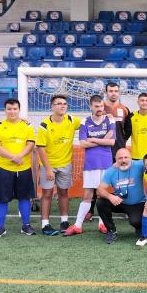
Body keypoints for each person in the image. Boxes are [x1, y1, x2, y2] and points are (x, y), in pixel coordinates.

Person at [63, 95, 114, 236]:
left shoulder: (109, 120)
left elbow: (112, 142)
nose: (99, 109)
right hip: (91, 163)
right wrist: (101, 140)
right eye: (96, 106)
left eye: (101, 106)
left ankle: (102, 224)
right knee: (88, 195)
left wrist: (93, 139)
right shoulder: (85, 122)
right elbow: (83, 144)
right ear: (90, 106)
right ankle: (78, 225)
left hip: (106, 163)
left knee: (103, 194)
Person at [0, 98, 36, 238]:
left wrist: (19, 156)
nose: (12, 111)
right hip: (4, 168)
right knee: (2, 198)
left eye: (15, 108)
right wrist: (13, 157)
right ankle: (0, 227)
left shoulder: (27, 126)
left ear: (19, 110)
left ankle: (26, 225)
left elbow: (30, 144)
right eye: (9, 109)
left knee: (24, 198)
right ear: (5, 110)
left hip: (24, 168)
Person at [36, 94, 81, 235]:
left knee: (63, 192)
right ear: (52, 106)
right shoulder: (44, 126)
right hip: (48, 165)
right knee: (47, 194)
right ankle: (45, 224)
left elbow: (90, 122)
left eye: (64, 103)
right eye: (58, 103)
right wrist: (48, 168)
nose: (62, 106)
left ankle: (64, 221)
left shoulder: (72, 120)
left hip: (65, 164)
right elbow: (40, 148)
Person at [96, 148, 146, 244]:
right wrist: (111, 197)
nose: (123, 160)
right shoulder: (111, 171)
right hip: (119, 201)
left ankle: (139, 227)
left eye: (126, 157)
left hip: (137, 203)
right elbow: (99, 190)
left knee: (136, 222)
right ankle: (111, 230)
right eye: (120, 158)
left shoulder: (139, 164)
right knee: (101, 202)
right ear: (116, 159)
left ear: (131, 158)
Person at [122, 92, 147, 161]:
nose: (144, 103)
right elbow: (127, 135)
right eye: (142, 100)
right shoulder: (132, 116)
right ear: (138, 102)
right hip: (136, 155)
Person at [103, 82, 130, 156]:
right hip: (103, 148)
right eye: (111, 91)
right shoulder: (100, 108)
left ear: (119, 93)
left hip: (119, 148)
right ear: (106, 92)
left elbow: (128, 130)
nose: (113, 93)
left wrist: (122, 140)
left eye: (116, 91)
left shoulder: (125, 109)